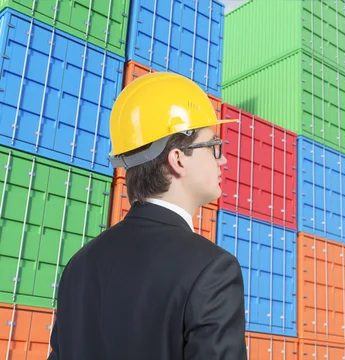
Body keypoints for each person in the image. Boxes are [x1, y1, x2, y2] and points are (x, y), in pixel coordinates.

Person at [47, 72, 247, 359]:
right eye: (214, 146)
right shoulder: (213, 270)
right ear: (178, 159)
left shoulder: (78, 267)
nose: (223, 159)